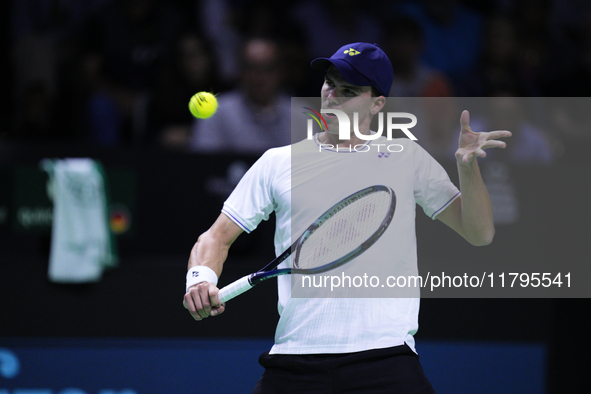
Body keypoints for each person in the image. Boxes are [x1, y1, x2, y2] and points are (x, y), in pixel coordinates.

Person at [183, 42, 511, 393]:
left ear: (377, 103)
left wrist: (467, 167)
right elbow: (216, 237)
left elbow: (479, 233)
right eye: (330, 83)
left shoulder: (407, 158)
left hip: (384, 358)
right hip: (296, 359)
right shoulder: (277, 162)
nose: (333, 94)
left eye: (350, 90)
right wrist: (199, 278)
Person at [188, 37, 296, 154]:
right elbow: (202, 164)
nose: (260, 76)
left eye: (268, 68)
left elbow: (312, 165)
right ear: (239, 70)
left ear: (281, 71)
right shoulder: (215, 112)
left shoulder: (304, 114)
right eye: (252, 68)